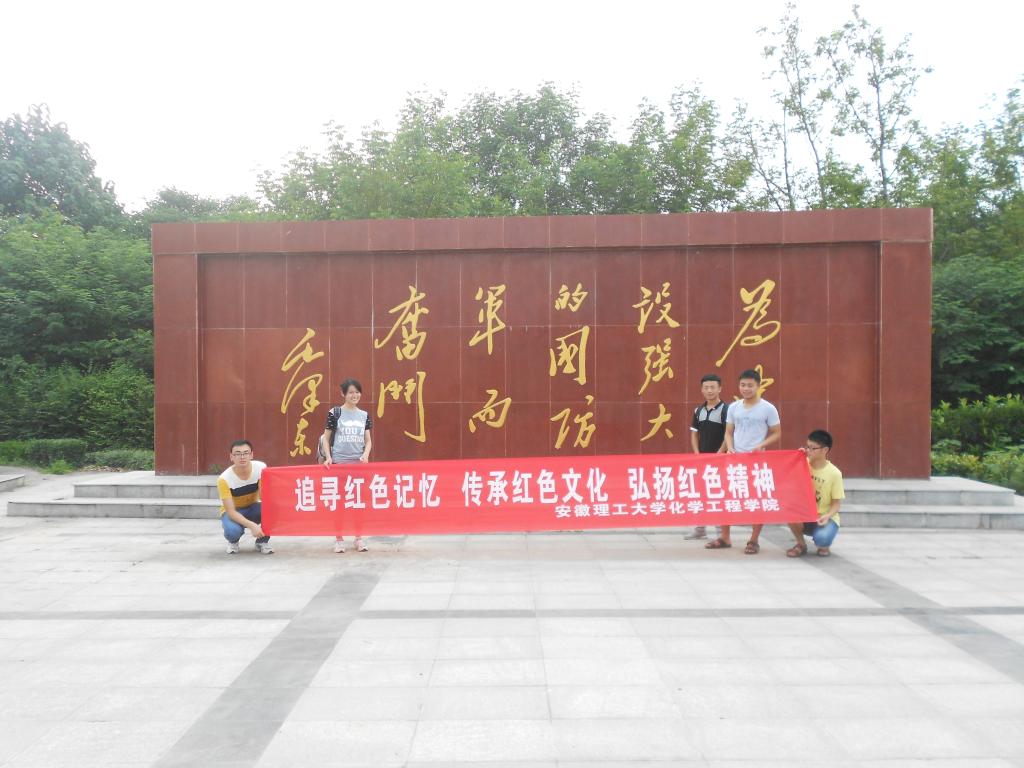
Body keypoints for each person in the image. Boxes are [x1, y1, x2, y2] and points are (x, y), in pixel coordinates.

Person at [705, 368, 781, 554]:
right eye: (742, 385)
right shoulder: (734, 407)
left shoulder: (768, 408)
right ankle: (725, 537)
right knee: (726, 497)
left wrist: (761, 445)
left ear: (758, 386)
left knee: (757, 499)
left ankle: (753, 540)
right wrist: (729, 447)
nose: (746, 388)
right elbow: (728, 432)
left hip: (756, 462)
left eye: (750, 385)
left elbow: (777, 433)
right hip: (734, 460)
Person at [320, 378, 372, 553]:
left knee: (358, 502)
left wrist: (365, 454)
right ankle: (339, 539)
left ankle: (358, 538)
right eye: (351, 392)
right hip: (339, 464)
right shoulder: (335, 413)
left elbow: (368, 440)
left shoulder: (364, 415)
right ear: (343, 394)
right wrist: (328, 457)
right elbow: (326, 438)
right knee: (339, 503)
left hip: (358, 465)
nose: (354, 395)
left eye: (357, 392)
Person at [787, 429, 844, 557]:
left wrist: (827, 516)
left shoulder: (834, 473)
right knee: (790, 511)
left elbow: (836, 504)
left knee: (822, 540)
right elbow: (788, 476)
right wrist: (797, 458)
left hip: (824, 517)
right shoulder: (803, 464)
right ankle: (801, 544)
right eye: (807, 447)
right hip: (805, 515)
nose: (808, 451)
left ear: (825, 450)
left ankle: (823, 542)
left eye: (813, 448)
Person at [685, 373, 729, 540]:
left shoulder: (726, 410)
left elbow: (729, 434)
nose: (709, 390)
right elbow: (694, 434)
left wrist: (719, 453)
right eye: (706, 387)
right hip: (702, 460)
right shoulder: (698, 411)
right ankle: (700, 528)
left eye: (713, 387)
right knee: (700, 494)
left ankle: (720, 533)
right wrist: (697, 454)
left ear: (720, 389)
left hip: (720, 460)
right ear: (702, 389)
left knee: (718, 494)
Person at [218, 439, 272, 554]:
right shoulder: (224, 479)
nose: (242, 457)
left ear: (251, 455)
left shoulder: (261, 468)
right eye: (237, 454)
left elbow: (264, 497)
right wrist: (252, 525)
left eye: (246, 453)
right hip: (233, 511)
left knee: (271, 510)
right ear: (231, 457)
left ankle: (262, 541)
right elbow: (231, 512)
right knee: (232, 531)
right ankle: (233, 541)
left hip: (252, 507)